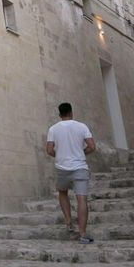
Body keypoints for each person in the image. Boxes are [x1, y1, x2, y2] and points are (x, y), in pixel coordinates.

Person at [45, 101, 96, 243]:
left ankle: (68, 223)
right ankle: (83, 234)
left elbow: (49, 150)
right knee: (82, 199)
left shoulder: (53, 129)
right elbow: (92, 146)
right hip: (79, 166)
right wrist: (81, 152)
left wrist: (61, 155)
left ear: (59, 114)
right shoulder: (81, 126)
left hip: (62, 168)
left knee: (62, 192)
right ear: (71, 112)